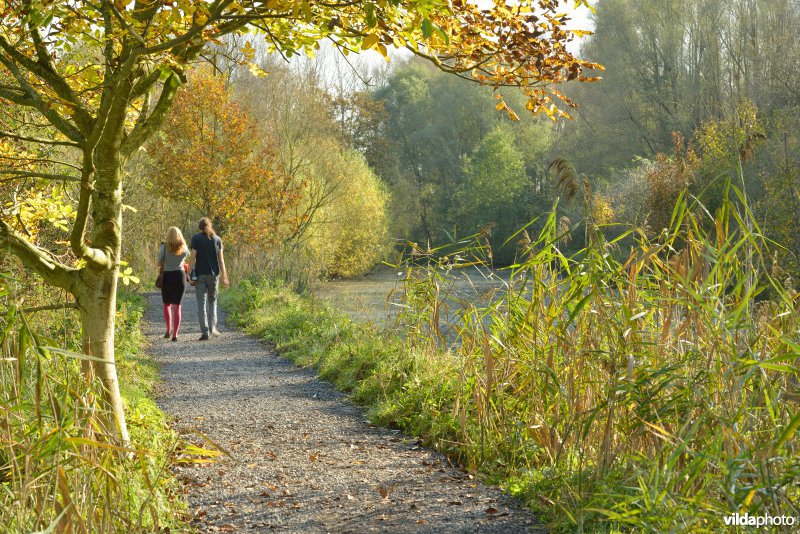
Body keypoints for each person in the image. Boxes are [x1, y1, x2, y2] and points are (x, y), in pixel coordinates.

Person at [189, 217, 229, 340]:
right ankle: (213, 328)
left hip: (200, 275)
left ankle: (205, 331)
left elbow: (193, 258)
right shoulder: (218, 240)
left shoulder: (196, 239)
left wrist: (188, 272)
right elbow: (221, 260)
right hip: (214, 275)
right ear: (210, 226)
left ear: (199, 227)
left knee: (201, 303)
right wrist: (224, 276)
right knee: (213, 301)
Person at [157, 227, 190, 341]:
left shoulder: (164, 247)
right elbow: (185, 259)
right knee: (177, 306)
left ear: (168, 235)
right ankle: (175, 334)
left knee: (167, 304)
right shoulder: (184, 247)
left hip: (167, 276)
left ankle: (168, 330)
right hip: (180, 276)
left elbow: (158, 262)